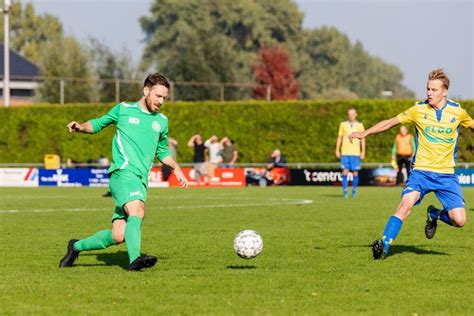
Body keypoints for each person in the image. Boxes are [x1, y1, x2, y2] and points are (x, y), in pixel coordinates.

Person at [59, 73, 188, 271]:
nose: (161, 101)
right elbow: (98, 124)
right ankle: (134, 260)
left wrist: (176, 166)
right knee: (137, 211)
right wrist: (80, 127)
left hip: (140, 180)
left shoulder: (161, 121)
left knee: (118, 235)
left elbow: (162, 152)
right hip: (122, 173)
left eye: (164, 97)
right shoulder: (124, 110)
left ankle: (75, 247)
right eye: (158, 96)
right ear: (146, 91)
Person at [349, 68, 473, 260]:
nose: (429, 93)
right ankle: (384, 244)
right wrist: (365, 133)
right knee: (405, 205)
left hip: (446, 175)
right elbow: (390, 122)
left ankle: (434, 214)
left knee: (460, 220)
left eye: (433, 89)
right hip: (421, 173)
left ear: (445, 91)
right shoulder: (418, 110)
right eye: (428, 89)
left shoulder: (458, 112)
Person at [335, 108, 365, 198]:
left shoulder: (360, 125)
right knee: (345, 171)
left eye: (352, 114)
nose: (351, 116)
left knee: (355, 172)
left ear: (356, 114)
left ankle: (354, 190)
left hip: (355, 153)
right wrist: (337, 149)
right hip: (345, 152)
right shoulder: (343, 124)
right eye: (349, 114)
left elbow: (362, 138)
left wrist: (363, 151)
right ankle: (345, 191)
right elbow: (339, 137)